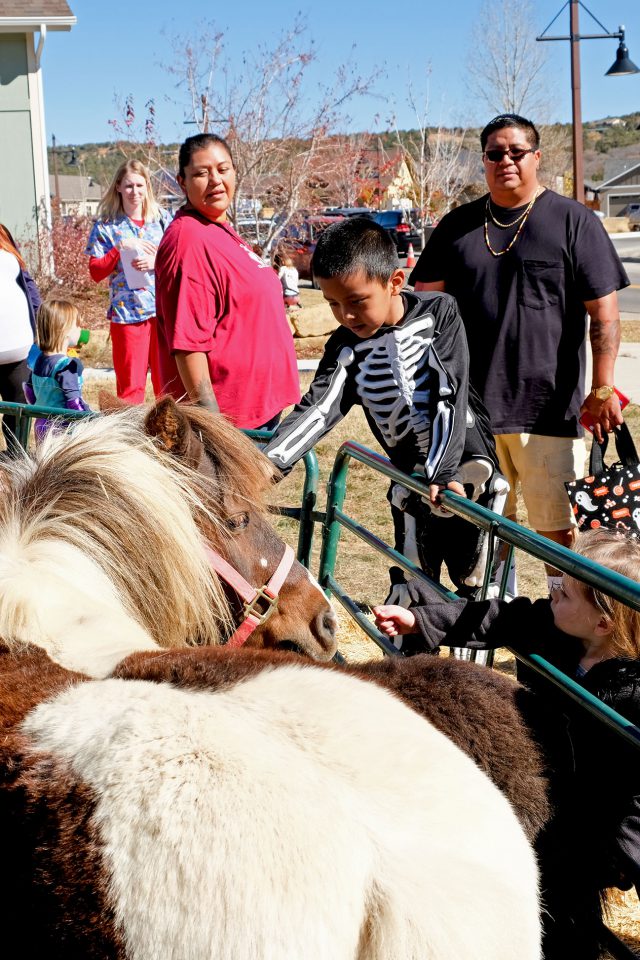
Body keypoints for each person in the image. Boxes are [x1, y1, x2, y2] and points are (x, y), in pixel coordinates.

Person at [373, 528, 640, 958]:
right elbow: (498, 617)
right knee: (553, 900)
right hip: (555, 800)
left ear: (603, 622)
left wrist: (626, 849)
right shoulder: (556, 630)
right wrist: (420, 621)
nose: (553, 595)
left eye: (566, 593)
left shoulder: (633, 691)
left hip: (611, 823)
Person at [410, 113, 629, 596]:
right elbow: (421, 308)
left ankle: (563, 622)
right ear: (483, 160)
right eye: (494, 153)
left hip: (548, 410)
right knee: (484, 531)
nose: (505, 160)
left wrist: (604, 385)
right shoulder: (457, 225)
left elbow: (605, 314)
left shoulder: (574, 221)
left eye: (515, 152)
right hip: (471, 413)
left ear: (536, 158)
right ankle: (493, 617)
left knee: (557, 533)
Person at [263, 216, 507, 595]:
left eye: (357, 301)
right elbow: (317, 409)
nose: (345, 316)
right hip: (410, 486)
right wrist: (266, 464)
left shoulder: (438, 314)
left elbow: (449, 391)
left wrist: (443, 473)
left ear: (395, 282)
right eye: (333, 304)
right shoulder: (346, 345)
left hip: (465, 480)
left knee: (475, 592)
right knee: (410, 591)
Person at [154, 133, 300, 430]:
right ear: (182, 182)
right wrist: (216, 432)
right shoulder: (189, 240)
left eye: (223, 169)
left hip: (258, 407)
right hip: (232, 422)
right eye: (201, 173)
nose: (215, 180)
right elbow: (188, 344)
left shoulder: (218, 228)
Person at [86, 159, 169, 404]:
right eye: (129, 186)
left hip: (162, 313)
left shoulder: (163, 219)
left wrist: (157, 262)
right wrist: (118, 250)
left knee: (168, 385)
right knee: (131, 390)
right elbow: (95, 272)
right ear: (118, 187)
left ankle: (169, 438)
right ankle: (130, 438)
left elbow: (181, 258)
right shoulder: (106, 226)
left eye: (140, 185)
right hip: (128, 315)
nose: (135, 192)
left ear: (147, 187)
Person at [23, 298, 91, 441]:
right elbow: (74, 403)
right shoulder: (66, 366)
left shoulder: (37, 360)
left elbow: (29, 392)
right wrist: (89, 419)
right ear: (65, 330)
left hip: (41, 424)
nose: (80, 330)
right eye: (77, 325)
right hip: (62, 430)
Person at [0, 223, 41, 451]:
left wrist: (41, 316)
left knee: (19, 412)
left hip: (18, 347)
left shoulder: (3, 232)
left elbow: (26, 281)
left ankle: (17, 463)